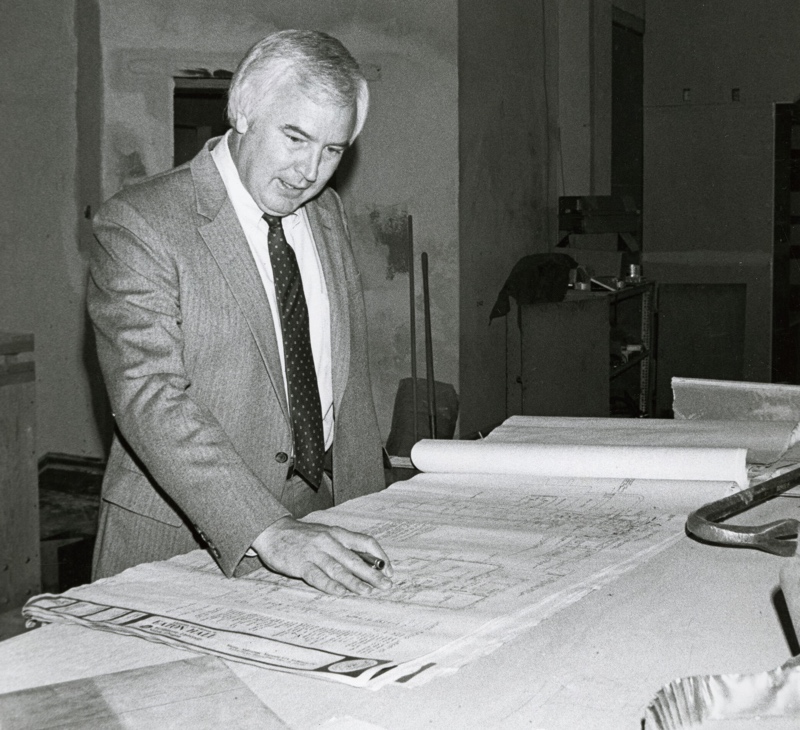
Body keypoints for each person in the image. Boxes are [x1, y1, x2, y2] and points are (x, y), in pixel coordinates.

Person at [87, 29, 392, 597]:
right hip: (179, 541)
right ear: (244, 112)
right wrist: (268, 530)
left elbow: (342, 385)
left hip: (321, 533)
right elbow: (149, 397)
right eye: (296, 137)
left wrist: (374, 507)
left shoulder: (327, 214)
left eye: (333, 151)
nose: (310, 171)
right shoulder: (140, 222)